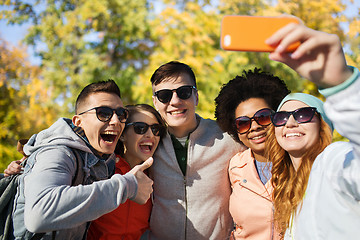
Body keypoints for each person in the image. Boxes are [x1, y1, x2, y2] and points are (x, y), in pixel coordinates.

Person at [11, 80, 154, 239]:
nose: (115, 121)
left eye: (121, 114)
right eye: (104, 113)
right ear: (78, 122)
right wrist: (128, 186)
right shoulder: (58, 152)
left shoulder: (103, 158)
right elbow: (39, 214)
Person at [264, 19, 359, 239]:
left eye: (303, 115)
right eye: (281, 117)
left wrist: (341, 85)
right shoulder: (284, 186)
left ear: (323, 125)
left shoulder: (335, 161)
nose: (290, 123)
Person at [148, 61, 246, 239]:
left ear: (196, 96)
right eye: (164, 95)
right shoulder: (148, 142)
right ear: (155, 102)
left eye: (184, 92)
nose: (175, 101)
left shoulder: (228, 137)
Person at [214, 68, 290, 240]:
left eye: (263, 117)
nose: (254, 127)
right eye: (243, 123)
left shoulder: (300, 161)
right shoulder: (234, 166)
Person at [86, 104, 166, 240]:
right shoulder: (101, 170)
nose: (150, 134)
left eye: (155, 129)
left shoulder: (157, 177)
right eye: (140, 128)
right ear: (122, 135)